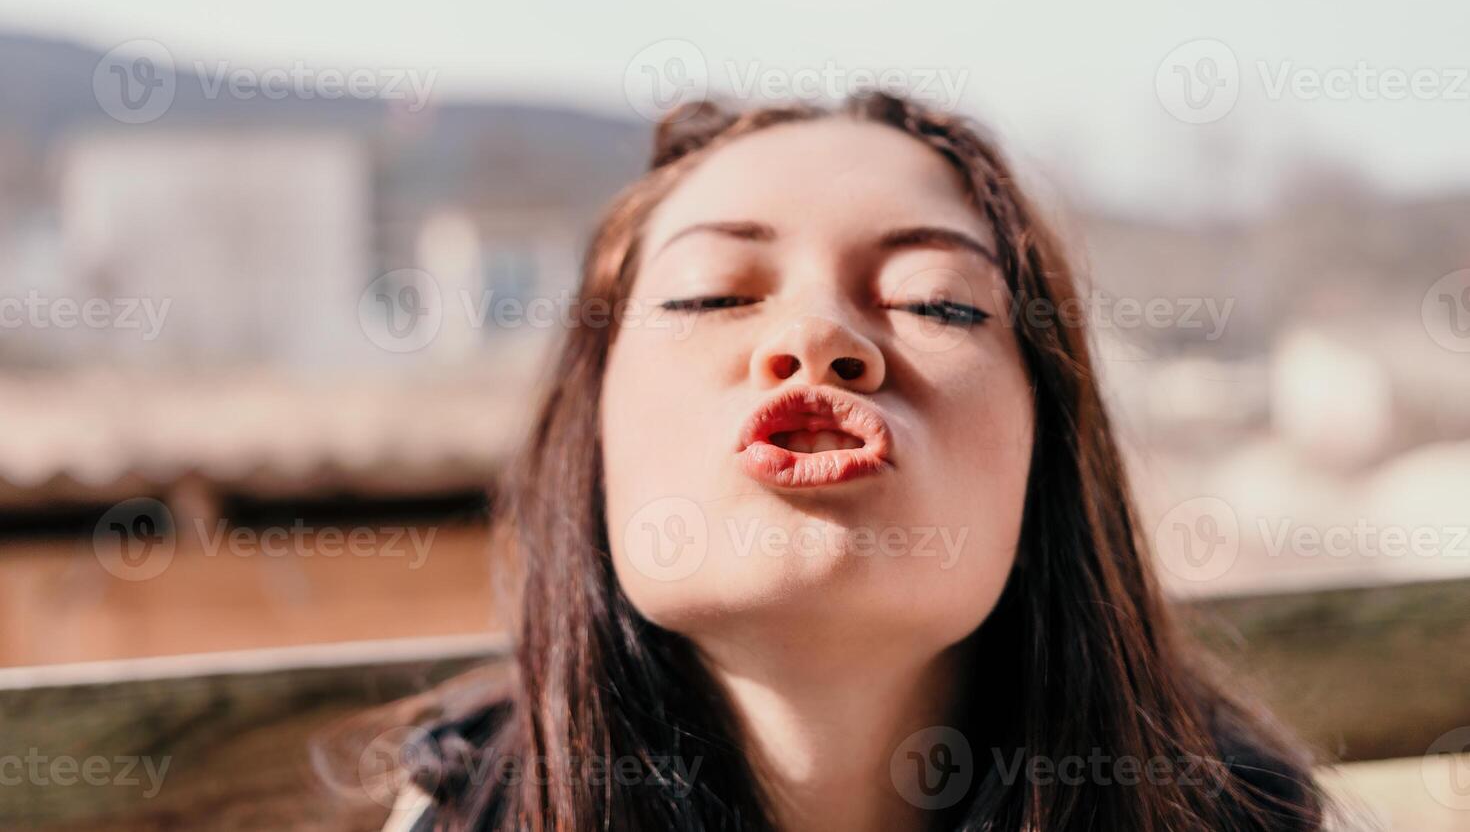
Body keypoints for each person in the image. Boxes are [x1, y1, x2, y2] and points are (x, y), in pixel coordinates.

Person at [361, 91, 1331, 831]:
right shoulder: (459, 810)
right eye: (709, 295)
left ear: (1051, 449)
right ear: (593, 433)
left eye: (935, 299)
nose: (818, 338)